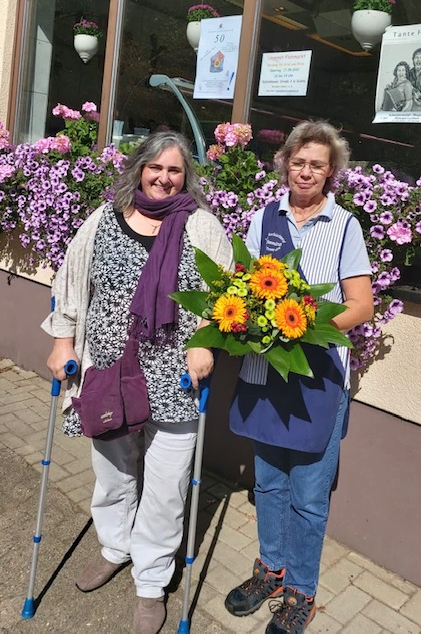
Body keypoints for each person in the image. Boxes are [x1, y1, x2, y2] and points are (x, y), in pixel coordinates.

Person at [41, 131, 232, 634]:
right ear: (140, 169)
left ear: (185, 176)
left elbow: (224, 296)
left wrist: (205, 342)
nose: (165, 178)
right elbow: (70, 279)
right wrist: (63, 342)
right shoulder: (106, 218)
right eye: (157, 168)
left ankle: (151, 581)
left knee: (166, 489)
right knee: (112, 473)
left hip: (176, 378)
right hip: (109, 368)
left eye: (175, 170)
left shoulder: (203, 227)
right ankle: (114, 547)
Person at [225, 121, 374, 634]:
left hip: (318, 377)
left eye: (317, 163)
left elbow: (361, 305)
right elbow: (243, 289)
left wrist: (304, 326)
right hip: (265, 370)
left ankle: (302, 593)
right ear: (285, 163)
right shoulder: (262, 219)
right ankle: (271, 568)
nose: (306, 171)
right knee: (267, 482)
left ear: (331, 172)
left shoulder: (344, 226)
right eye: (298, 161)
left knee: (309, 494)